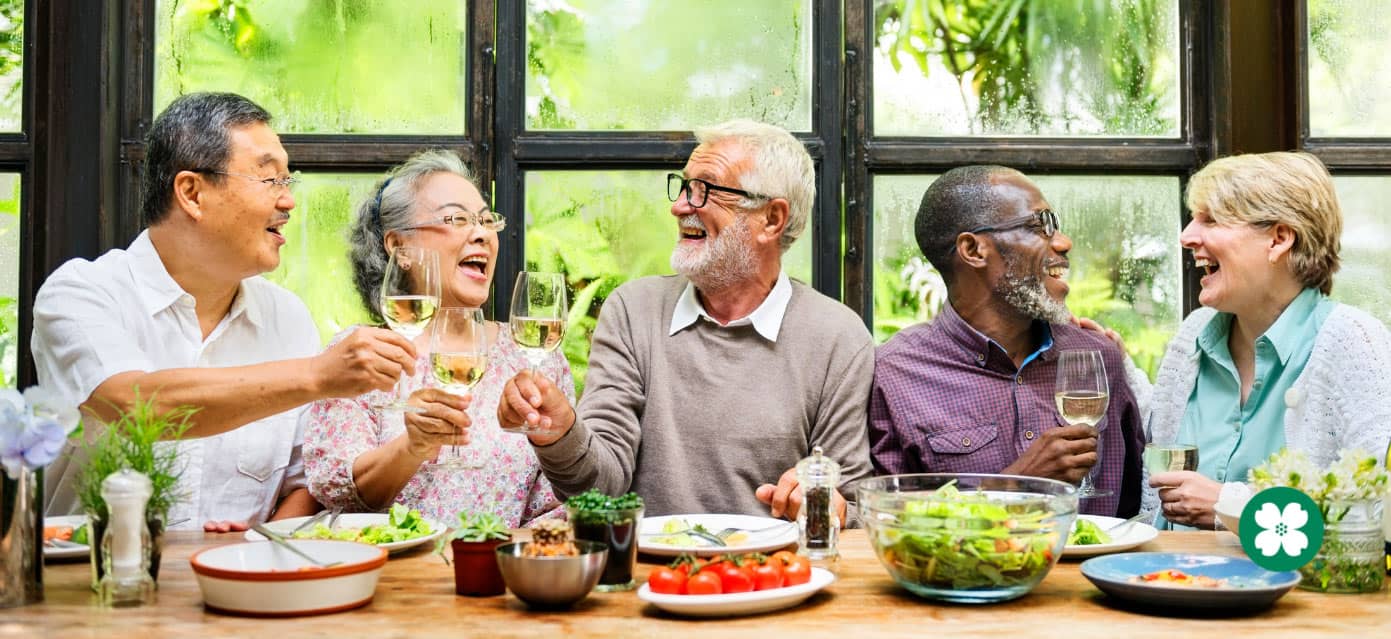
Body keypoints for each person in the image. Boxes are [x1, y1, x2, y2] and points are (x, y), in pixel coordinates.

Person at [32, 92, 418, 531]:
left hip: (237, 586)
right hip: (90, 585)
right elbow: (136, 406)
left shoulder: (287, 316)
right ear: (192, 193)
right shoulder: (82, 293)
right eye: (269, 179)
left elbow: (303, 482)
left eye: (288, 183)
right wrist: (316, 375)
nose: (288, 202)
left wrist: (262, 538)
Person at [497, 120, 874, 524]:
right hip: (649, 578)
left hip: (774, 578)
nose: (679, 206)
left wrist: (823, 505)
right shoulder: (633, 311)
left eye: (705, 190)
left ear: (771, 219)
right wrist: (559, 433)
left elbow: (851, 507)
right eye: (683, 186)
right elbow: (598, 489)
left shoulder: (838, 338)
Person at [303, 150, 569, 527]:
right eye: (456, 218)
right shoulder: (360, 354)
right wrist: (413, 447)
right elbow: (340, 494)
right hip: (392, 576)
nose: (481, 233)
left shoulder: (532, 356)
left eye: (486, 220)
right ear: (399, 248)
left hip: (500, 574)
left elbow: (560, 503)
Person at [869, 165, 1145, 518]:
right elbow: (892, 525)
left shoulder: (1099, 358)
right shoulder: (894, 374)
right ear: (973, 249)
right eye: (1039, 226)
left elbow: (1132, 507)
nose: (1063, 242)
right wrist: (1014, 485)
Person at [1143, 151, 1391, 528]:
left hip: (1290, 588)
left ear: (1278, 239)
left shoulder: (1354, 343)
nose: (1187, 236)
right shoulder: (1193, 334)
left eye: (1211, 219)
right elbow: (1157, 470)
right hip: (1169, 579)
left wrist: (1231, 506)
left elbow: (1377, 510)